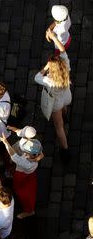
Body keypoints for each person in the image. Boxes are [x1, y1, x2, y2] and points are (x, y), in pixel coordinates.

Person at [35, 30, 71, 158]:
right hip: (67, 96)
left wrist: (46, 67)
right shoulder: (66, 65)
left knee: (59, 127)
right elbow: (62, 51)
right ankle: (65, 115)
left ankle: (65, 150)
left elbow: (36, 77)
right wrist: (54, 38)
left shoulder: (49, 80)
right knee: (64, 107)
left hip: (56, 102)